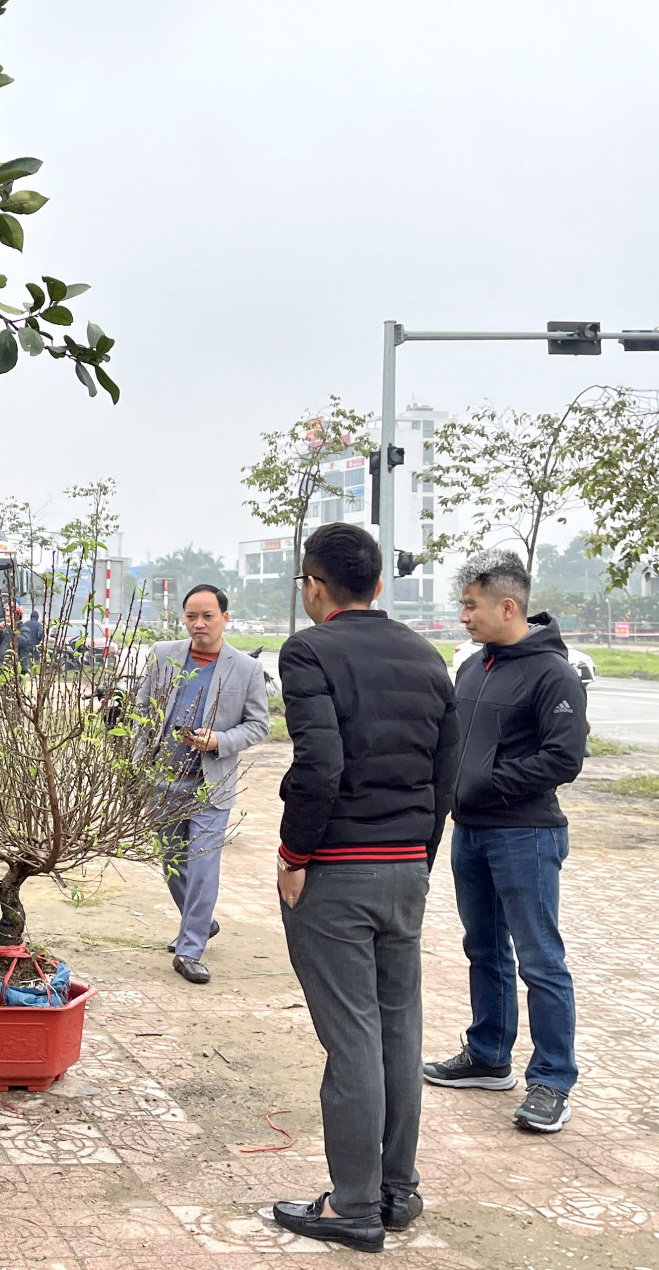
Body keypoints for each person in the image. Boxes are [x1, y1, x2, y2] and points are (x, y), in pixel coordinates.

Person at [270, 523, 458, 1252]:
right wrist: (421, 855)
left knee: (351, 1039)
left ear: (315, 585)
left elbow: (320, 764)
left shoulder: (309, 650)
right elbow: (445, 774)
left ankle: (350, 1206)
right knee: (398, 1030)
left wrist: (293, 853)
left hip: (338, 871)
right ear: (377, 585)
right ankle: (395, 1189)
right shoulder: (428, 656)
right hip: (406, 865)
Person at [424, 549, 588, 1135]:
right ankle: (489, 1056)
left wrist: (490, 785)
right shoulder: (474, 666)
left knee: (541, 961)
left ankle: (552, 1080)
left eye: (470, 605)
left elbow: (563, 758)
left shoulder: (553, 673)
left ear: (507, 605)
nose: (463, 616)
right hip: (470, 833)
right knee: (485, 949)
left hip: (526, 835)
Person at [135, 584, 270, 985]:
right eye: (192, 616)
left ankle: (189, 948)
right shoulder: (163, 656)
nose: (199, 624)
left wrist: (220, 741)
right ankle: (201, 921)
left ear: (225, 618)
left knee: (203, 864)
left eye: (208, 616)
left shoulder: (245, 668)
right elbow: (143, 708)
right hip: (164, 779)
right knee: (171, 860)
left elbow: (259, 724)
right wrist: (141, 758)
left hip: (210, 783)